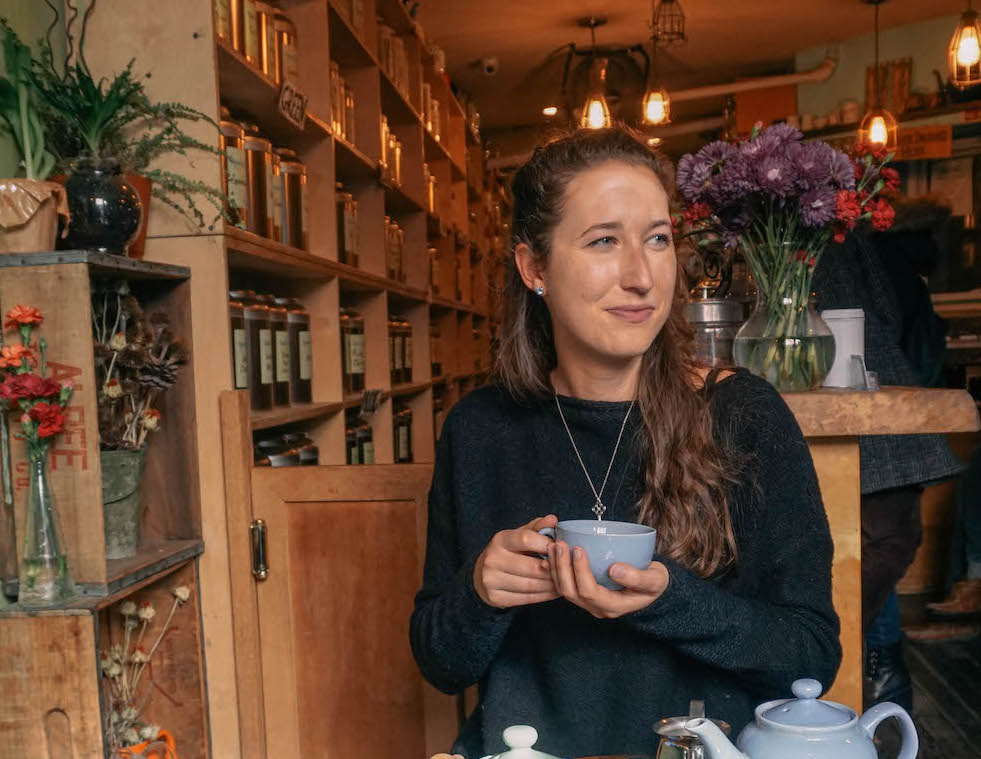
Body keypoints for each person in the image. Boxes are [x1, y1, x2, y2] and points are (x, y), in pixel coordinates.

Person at [410, 127, 841, 759]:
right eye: (604, 241)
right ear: (534, 268)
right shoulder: (481, 430)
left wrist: (670, 600)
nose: (641, 276)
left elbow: (810, 654)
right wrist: (480, 591)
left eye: (658, 240)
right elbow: (440, 662)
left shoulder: (741, 415)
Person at [813, 202, 965, 711]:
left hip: (864, 403)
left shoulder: (837, 241)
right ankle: (857, 668)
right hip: (866, 400)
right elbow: (911, 330)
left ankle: (871, 672)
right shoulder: (844, 240)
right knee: (885, 536)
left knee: (869, 540)